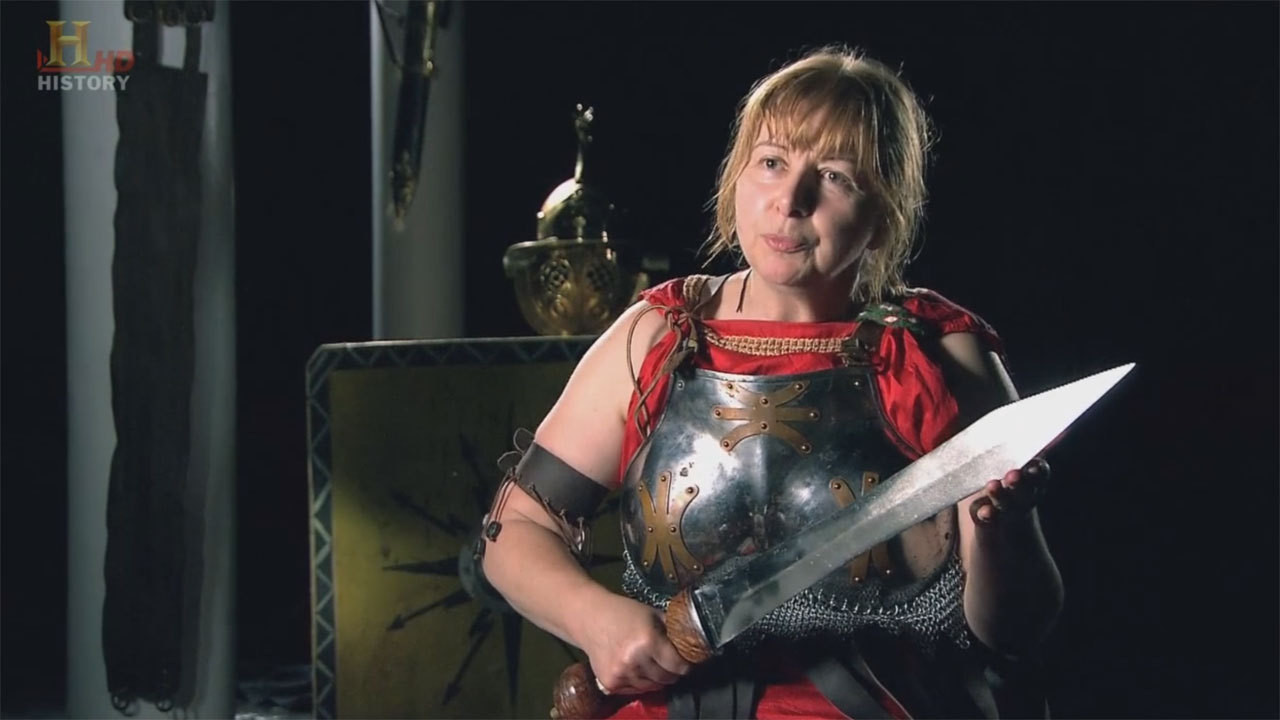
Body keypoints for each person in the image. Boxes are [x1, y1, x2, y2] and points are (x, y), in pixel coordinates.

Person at [479, 45, 1063, 719]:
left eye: (835, 176)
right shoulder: (657, 336)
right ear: (737, 178)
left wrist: (1002, 529)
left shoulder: (935, 351)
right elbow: (513, 533)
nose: (791, 201)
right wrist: (594, 618)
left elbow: (1016, 630)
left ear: (883, 211)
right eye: (772, 162)